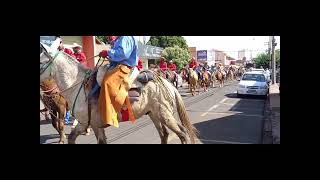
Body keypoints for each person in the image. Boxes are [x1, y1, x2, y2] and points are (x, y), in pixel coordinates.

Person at [98, 36, 138, 128]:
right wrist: (107, 55)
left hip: (124, 67)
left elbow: (123, 54)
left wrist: (108, 52)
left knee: (107, 83)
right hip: (116, 65)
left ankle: (110, 117)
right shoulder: (119, 39)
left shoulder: (126, 37)